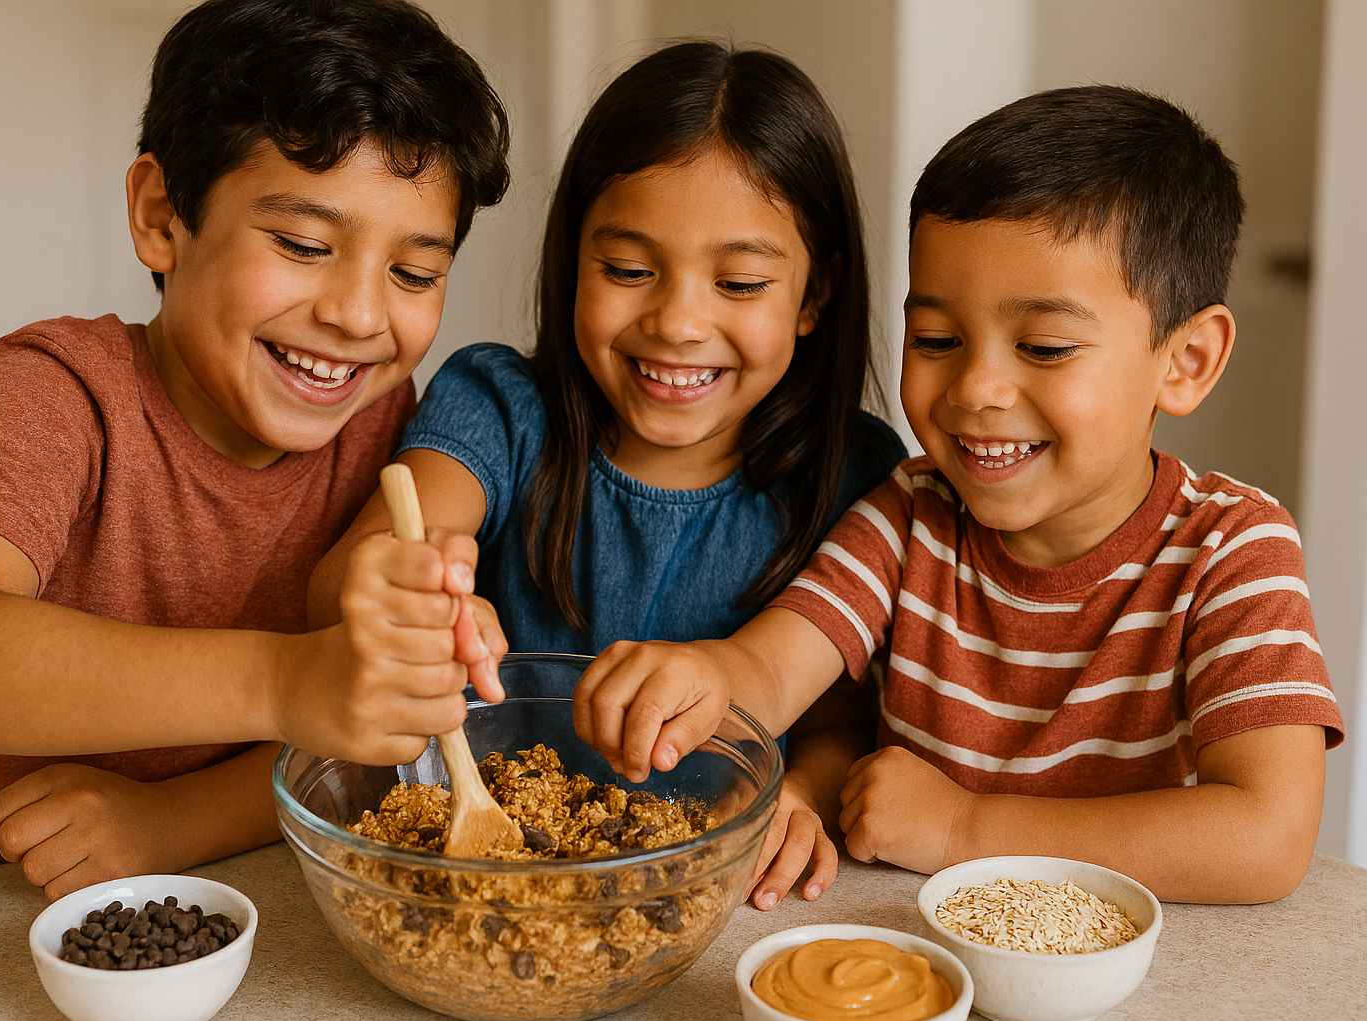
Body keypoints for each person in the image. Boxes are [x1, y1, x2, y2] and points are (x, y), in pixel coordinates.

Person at [572, 86, 1345, 906]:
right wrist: (705, 677)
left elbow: (1266, 839)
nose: (975, 388)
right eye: (936, 339)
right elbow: (771, 665)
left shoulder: (1233, 551)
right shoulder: (912, 517)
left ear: (1186, 360)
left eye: (1044, 347)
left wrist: (963, 829)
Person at [0, 0, 511, 903]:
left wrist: (175, 820)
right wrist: (285, 679)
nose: (359, 316)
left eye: (415, 273)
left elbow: (348, 724)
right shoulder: (59, 391)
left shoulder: (386, 420)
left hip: (217, 887)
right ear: (162, 215)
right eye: (304, 244)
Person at [308, 41, 905, 900]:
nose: (678, 324)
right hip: (483, 867)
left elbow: (839, 718)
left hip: (715, 894)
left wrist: (803, 795)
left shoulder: (855, 474)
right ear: (572, 256)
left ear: (814, 297)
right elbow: (346, 581)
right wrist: (409, 596)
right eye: (627, 270)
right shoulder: (499, 405)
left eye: (738, 283)